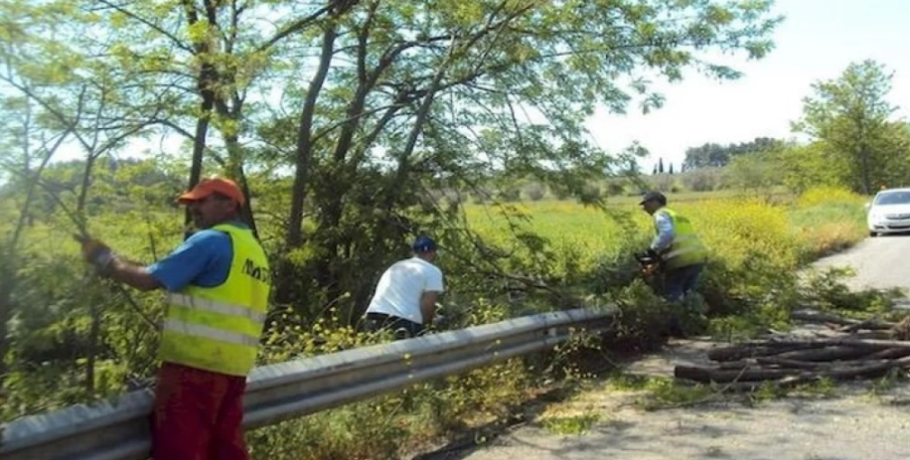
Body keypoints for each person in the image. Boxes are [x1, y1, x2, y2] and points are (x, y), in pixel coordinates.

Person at [78, 176, 271, 460]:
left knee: (180, 451)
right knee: (226, 451)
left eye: (202, 201)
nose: (194, 209)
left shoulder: (211, 241)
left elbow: (148, 280)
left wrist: (106, 260)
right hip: (234, 372)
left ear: (229, 204)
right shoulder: (254, 251)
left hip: (193, 371)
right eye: (192, 203)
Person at [639, 191, 708, 333]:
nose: (644, 209)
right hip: (697, 257)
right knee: (690, 294)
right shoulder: (677, 215)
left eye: (645, 204)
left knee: (673, 294)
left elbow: (667, 234)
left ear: (654, 202)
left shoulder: (661, 214)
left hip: (680, 260)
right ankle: (695, 325)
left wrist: (652, 250)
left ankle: (676, 329)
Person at [363, 235, 445, 339]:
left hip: (374, 315)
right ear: (433, 253)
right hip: (402, 321)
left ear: (414, 252)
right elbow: (428, 303)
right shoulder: (432, 271)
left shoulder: (397, 265)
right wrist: (426, 324)